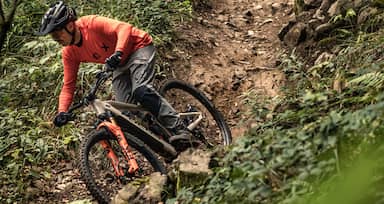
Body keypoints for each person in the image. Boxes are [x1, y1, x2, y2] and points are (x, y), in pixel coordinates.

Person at [36, 1, 189, 141]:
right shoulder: (69, 52)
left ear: (69, 26)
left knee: (141, 91)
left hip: (138, 48)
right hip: (119, 65)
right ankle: (166, 141)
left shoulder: (91, 23)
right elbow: (68, 85)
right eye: (52, 36)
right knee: (125, 110)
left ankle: (181, 130)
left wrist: (119, 51)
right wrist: (62, 111)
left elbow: (124, 28)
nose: (56, 39)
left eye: (56, 34)